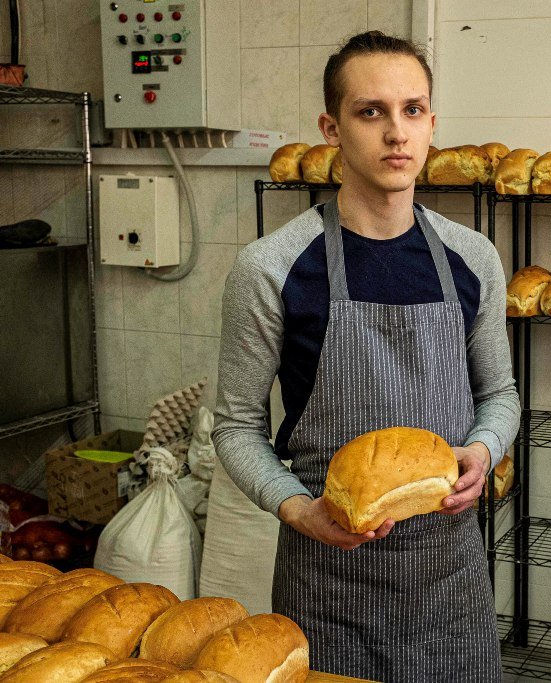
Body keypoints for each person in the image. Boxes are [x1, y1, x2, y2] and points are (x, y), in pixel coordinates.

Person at [212, 31, 519, 681]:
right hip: (328, 592)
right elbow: (236, 427)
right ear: (332, 127)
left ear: (433, 125)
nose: (396, 133)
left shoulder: (475, 260)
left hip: (451, 593)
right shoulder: (270, 268)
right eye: (370, 111)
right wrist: (297, 508)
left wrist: (485, 448)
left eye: (412, 111)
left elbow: (501, 395)